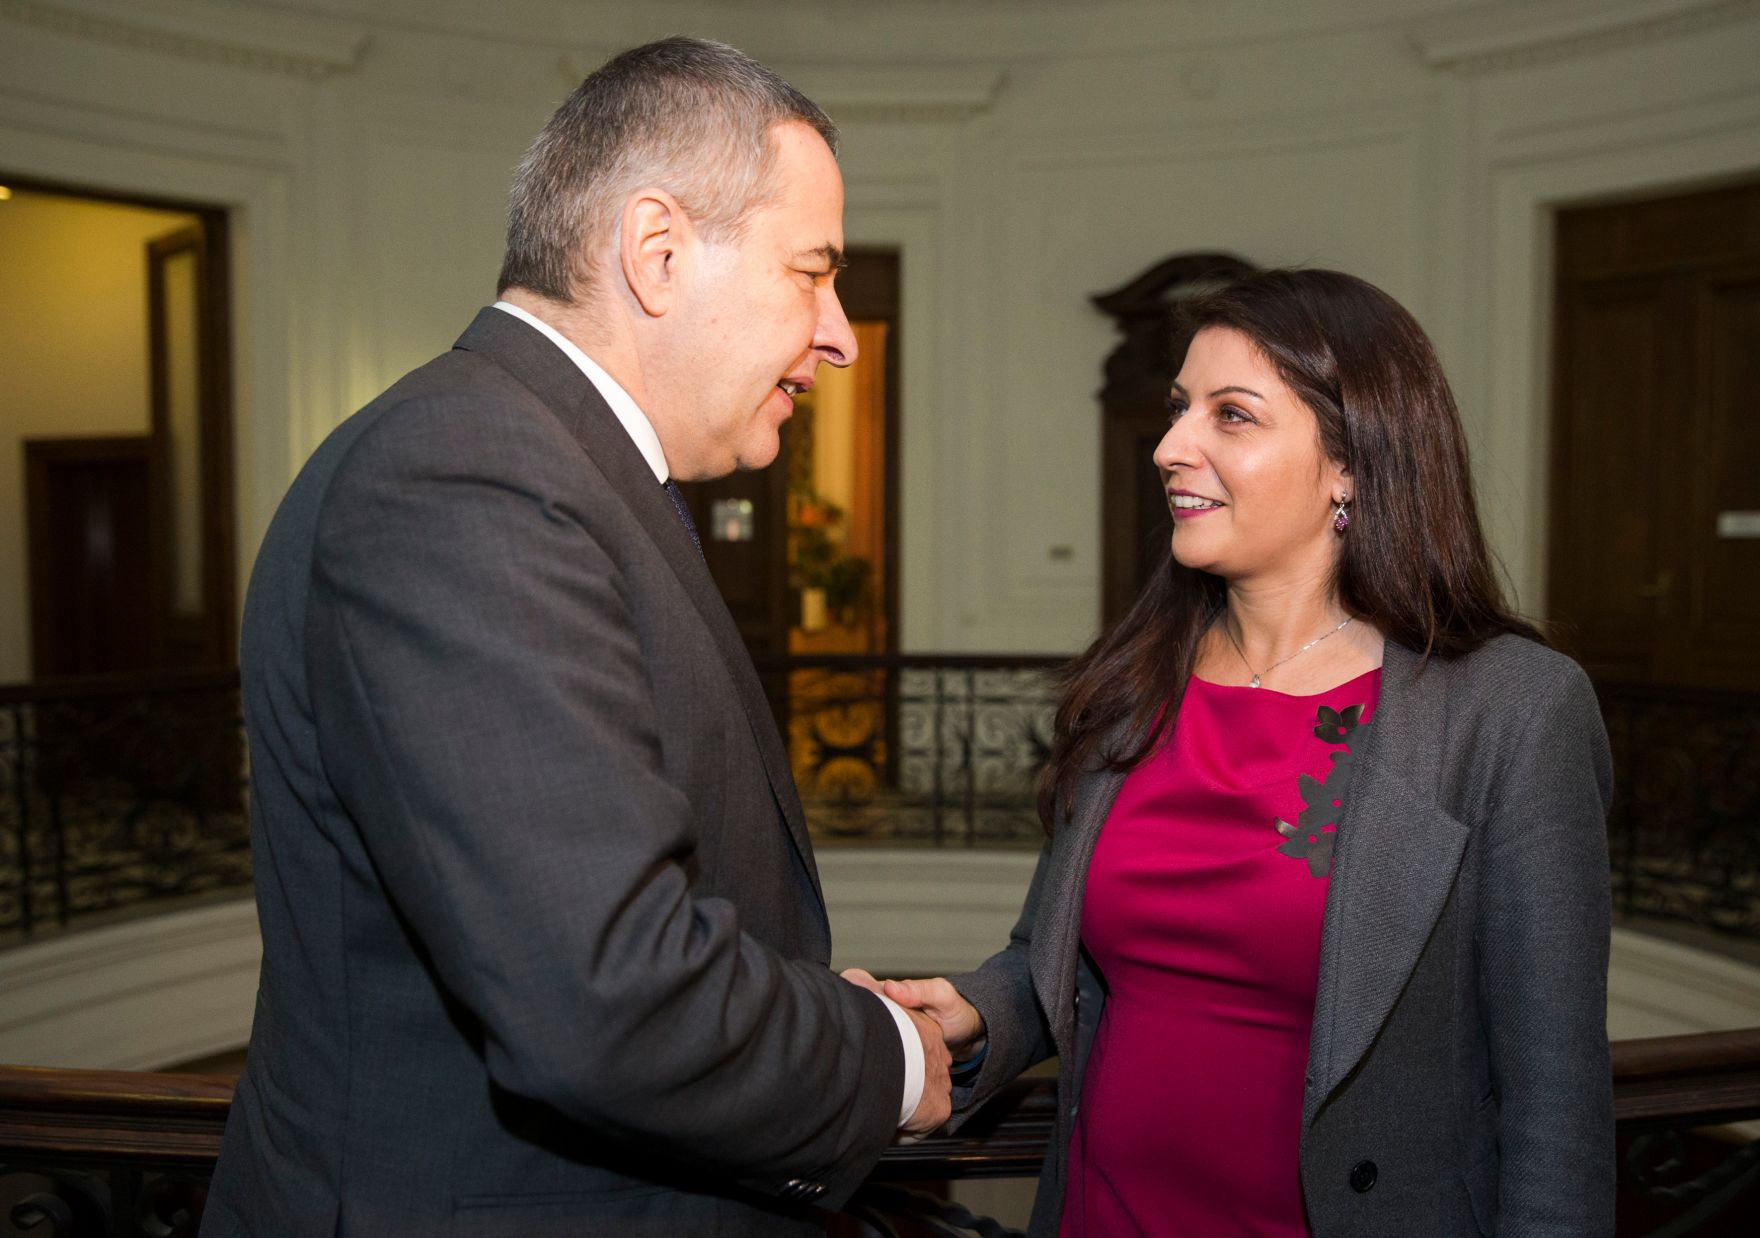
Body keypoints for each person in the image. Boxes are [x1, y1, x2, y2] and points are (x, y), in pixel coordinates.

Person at [201, 37, 950, 1238]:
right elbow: (605, 996)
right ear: (656, 252)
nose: (840, 334)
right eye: (811, 272)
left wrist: (785, 1010)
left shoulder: (554, 466)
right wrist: (886, 1057)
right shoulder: (465, 474)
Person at [870, 269, 1614, 1236]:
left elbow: (1556, 1103)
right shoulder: (1135, 682)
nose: (1172, 446)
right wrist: (975, 1012)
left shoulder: (1509, 711)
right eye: (1181, 409)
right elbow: (1059, 959)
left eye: (1232, 415)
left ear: (1351, 462)